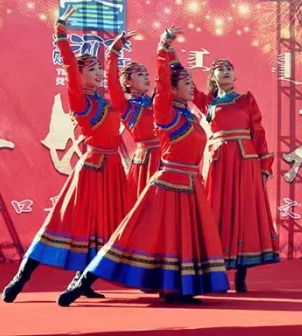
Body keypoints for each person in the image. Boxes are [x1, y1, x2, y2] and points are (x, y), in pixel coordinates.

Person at [57, 27, 230, 306]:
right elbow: (158, 80)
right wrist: (158, 49)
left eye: (191, 82)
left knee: (177, 238)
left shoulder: (187, 114)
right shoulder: (163, 112)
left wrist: (170, 53)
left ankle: (175, 289)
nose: (192, 87)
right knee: (135, 234)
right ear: (170, 90)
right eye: (186, 83)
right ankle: (82, 282)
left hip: (188, 184)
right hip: (164, 181)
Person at [2, 6, 127, 303]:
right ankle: (21, 277)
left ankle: (82, 280)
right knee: (61, 223)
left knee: (103, 229)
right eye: (92, 70)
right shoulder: (80, 101)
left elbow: (113, 77)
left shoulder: (105, 100)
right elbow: (70, 66)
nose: (98, 74)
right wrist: (61, 32)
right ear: (79, 75)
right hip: (91, 169)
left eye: (99, 69)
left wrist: (115, 50)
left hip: (112, 169)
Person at [191, 57, 280, 293]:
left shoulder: (246, 99)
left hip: (245, 161)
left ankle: (242, 274)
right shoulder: (208, 102)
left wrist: (265, 165)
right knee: (217, 211)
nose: (226, 72)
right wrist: (167, 49)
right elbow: (184, 82)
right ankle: (215, 272)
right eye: (220, 69)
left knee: (244, 211)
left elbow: (258, 132)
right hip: (219, 163)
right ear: (212, 77)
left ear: (235, 75)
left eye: (229, 68)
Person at [106, 32, 161, 198]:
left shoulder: (157, 102)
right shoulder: (127, 106)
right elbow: (111, 80)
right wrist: (114, 51)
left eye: (146, 74)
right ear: (127, 82)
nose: (146, 77)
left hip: (166, 159)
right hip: (146, 161)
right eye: (140, 74)